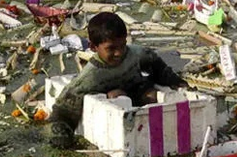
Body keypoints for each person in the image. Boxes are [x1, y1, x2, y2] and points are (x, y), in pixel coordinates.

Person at [48, 12, 184, 148]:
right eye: (111, 48)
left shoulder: (134, 53)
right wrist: (61, 137)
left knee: (152, 95)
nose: (119, 53)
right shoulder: (91, 76)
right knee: (117, 95)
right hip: (114, 106)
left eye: (122, 45)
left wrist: (175, 81)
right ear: (93, 47)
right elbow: (63, 110)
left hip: (137, 92)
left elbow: (156, 63)